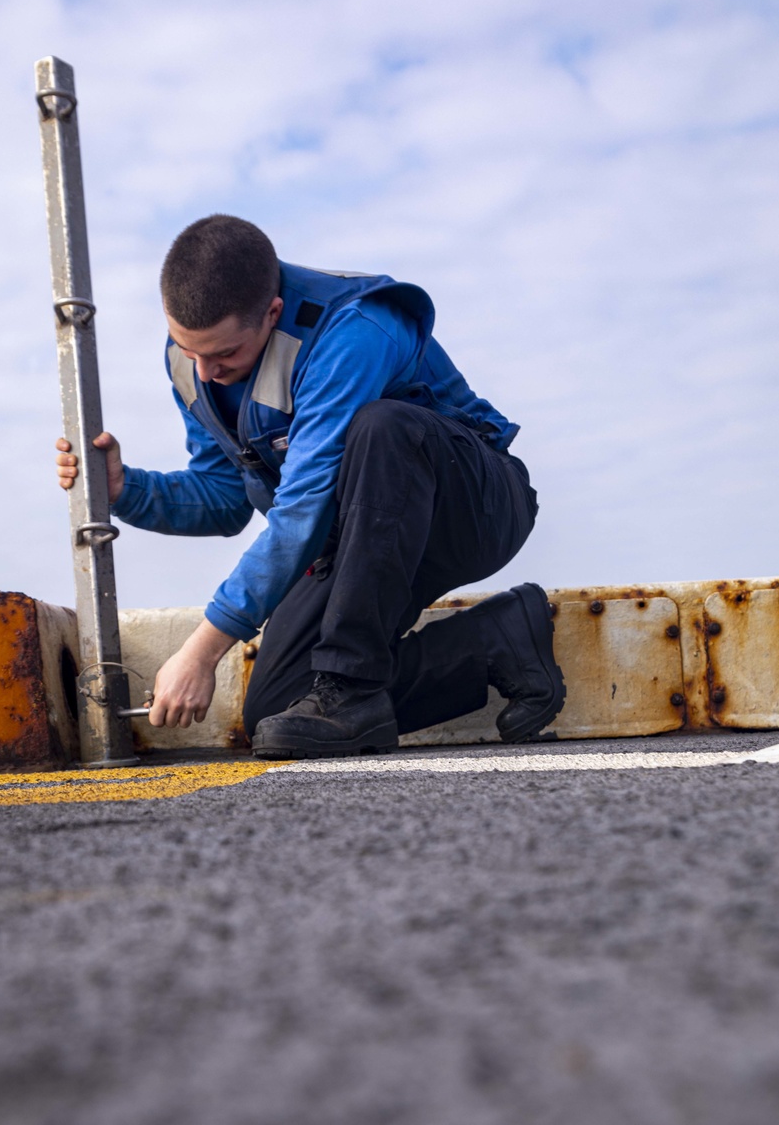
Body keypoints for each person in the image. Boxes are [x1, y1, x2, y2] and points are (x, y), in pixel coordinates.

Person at [56, 214, 564, 757]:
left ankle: (351, 687)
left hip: (472, 508)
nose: (205, 372)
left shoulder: (353, 332)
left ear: (272, 313)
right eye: (189, 350)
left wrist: (202, 652)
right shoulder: (195, 363)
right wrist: (125, 490)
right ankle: (494, 643)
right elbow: (225, 500)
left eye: (224, 354)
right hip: (361, 539)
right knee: (277, 709)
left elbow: (301, 509)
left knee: (383, 428)